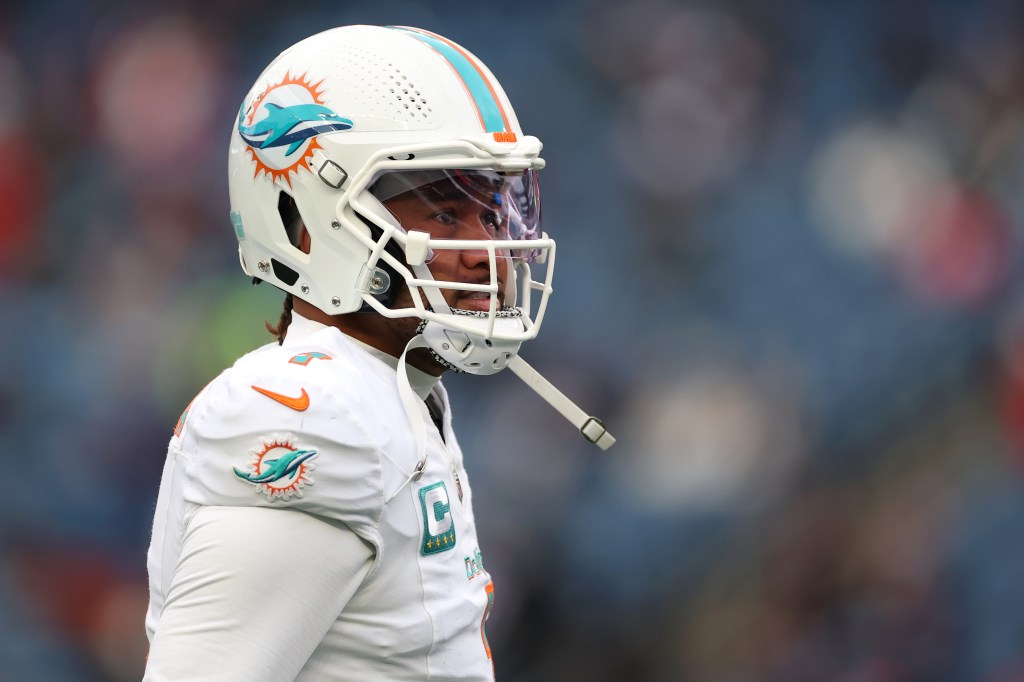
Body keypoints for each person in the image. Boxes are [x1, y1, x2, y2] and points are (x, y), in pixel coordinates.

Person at [143, 24, 613, 681]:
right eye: (447, 213)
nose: (488, 247)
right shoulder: (317, 415)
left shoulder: (391, 393)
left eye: (498, 210)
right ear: (308, 224)